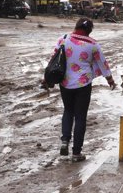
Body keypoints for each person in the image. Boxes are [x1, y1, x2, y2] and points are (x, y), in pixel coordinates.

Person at [44, 17, 115, 162]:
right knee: (80, 116)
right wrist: (110, 80)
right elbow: (103, 63)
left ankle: (65, 140)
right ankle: (76, 153)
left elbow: (53, 60)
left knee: (68, 111)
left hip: (65, 82)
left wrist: (46, 79)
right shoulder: (93, 45)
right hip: (83, 84)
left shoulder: (63, 39)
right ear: (89, 31)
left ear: (75, 27)